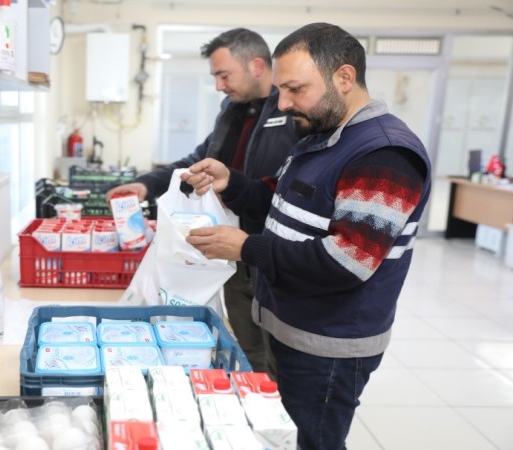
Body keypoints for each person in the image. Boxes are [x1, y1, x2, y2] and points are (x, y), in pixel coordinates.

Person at [181, 22, 431, 449]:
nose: (283, 103)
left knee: (313, 441)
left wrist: (245, 247)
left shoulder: (383, 153)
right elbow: (279, 200)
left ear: (344, 77)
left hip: (328, 344)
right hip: (288, 325)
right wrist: (232, 182)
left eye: (295, 89)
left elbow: (346, 262)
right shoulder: (322, 137)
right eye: (280, 89)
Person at [106, 28, 298, 373]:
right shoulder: (231, 112)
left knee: (280, 356)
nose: (219, 86)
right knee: (246, 347)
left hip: (271, 254)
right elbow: (198, 160)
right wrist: (146, 185)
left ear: (256, 66)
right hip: (227, 252)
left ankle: (276, 400)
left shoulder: (292, 116)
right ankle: (251, 393)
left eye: (224, 75)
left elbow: (285, 188)